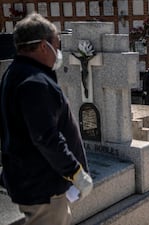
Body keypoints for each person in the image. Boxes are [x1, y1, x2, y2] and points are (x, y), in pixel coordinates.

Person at [0, 13, 93, 225]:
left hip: (33, 181)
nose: (58, 52)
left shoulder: (16, 72)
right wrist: (75, 172)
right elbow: (45, 136)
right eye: (56, 44)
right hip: (43, 186)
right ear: (43, 46)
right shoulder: (35, 82)